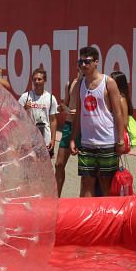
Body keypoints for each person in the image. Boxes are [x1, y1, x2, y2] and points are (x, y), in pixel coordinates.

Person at [69, 47, 127, 198]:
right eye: (80, 61)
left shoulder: (109, 83)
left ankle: (107, 220)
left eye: (87, 61)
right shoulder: (80, 83)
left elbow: (118, 113)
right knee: (86, 182)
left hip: (107, 142)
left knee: (105, 184)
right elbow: (79, 113)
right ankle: (88, 219)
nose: (83, 65)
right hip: (87, 143)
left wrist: (120, 140)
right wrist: (74, 139)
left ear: (96, 62)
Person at [18, 66, 59, 158]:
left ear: (44, 80)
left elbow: (53, 120)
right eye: (34, 79)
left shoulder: (51, 98)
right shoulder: (25, 97)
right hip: (28, 139)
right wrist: (24, 108)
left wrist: (53, 140)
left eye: (39, 79)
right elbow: (16, 116)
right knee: (29, 166)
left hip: (46, 139)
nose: (36, 82)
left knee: (45, 167)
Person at [54, 68, 82, 197]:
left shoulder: (92, 85)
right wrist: (61, 107)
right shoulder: (70, 83)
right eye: (80, 65)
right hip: (69, 126)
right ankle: (56, 198)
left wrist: (78, 112)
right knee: (59, 164)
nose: (83, 67)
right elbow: (65, 103)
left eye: (86, 63)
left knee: (86, 171)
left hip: (84, 128)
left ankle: (85, 201)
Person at [110, 71, 136, 151]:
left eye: (111, 81)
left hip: (115, 136)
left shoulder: (121, 99)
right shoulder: (110, 97)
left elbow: (124, 122)